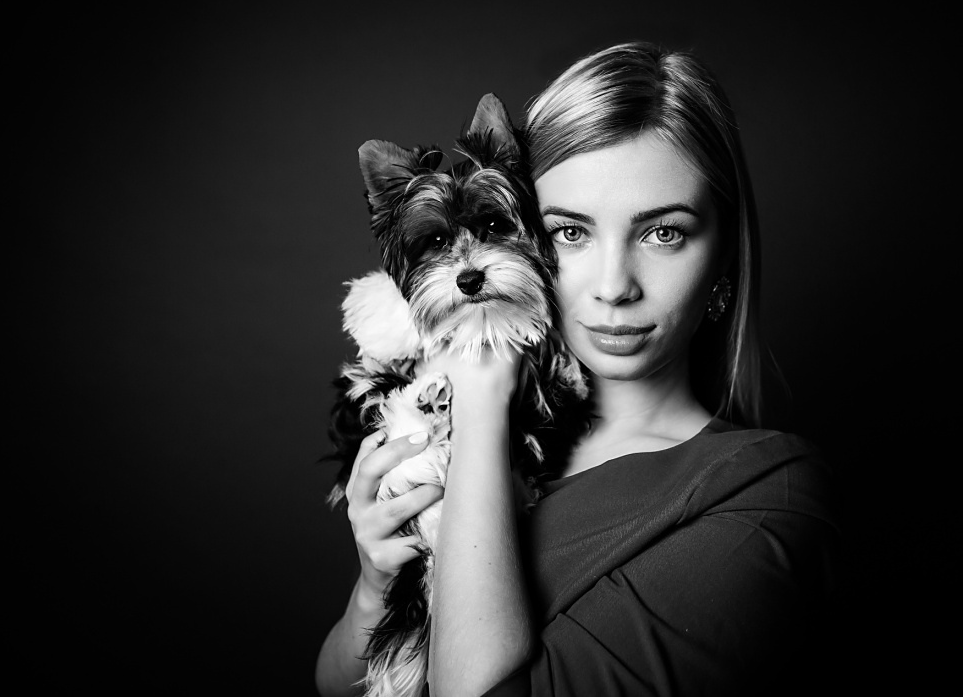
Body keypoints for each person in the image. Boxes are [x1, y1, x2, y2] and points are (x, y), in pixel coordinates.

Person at [316, 42, 840, 697]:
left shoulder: (764, 498)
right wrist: (374, 585)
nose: (614, 286)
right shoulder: (441, 439)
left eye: (664, 232)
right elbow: (335, 684)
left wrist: (480, 401)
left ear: (723, 259)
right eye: (570, 232)